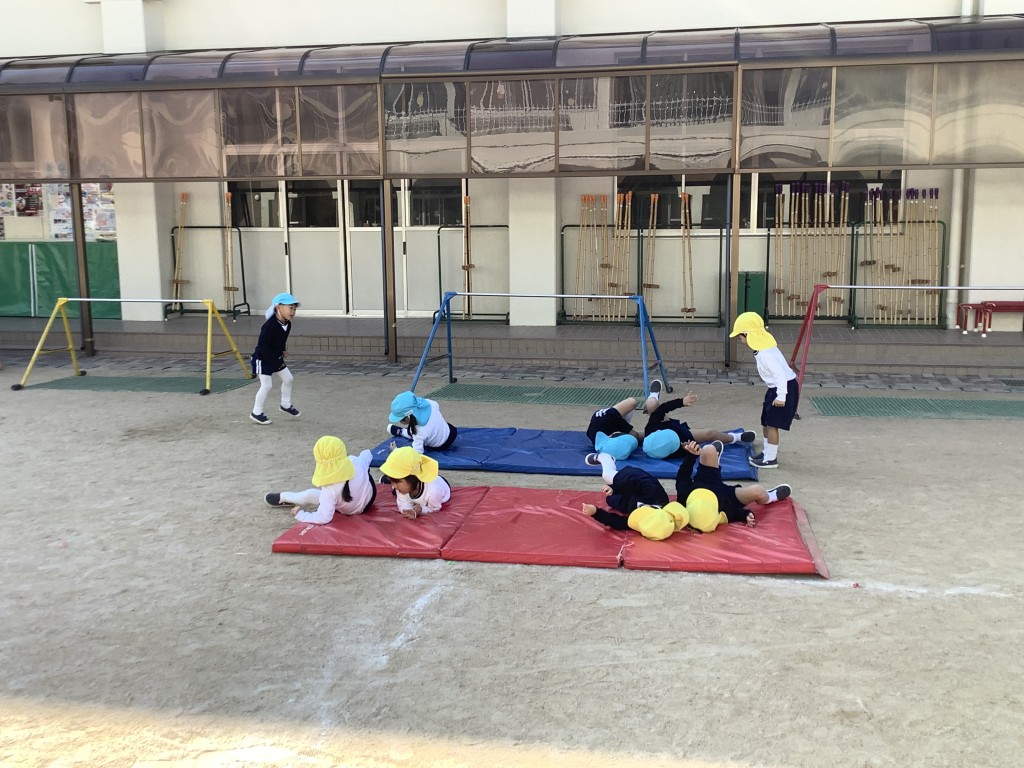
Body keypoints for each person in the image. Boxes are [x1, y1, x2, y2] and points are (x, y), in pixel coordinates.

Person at [729, 312, 800, 469]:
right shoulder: (763, 349)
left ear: (748, 335)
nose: (740, 340)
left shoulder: (765, 354)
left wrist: (781, 396)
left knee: (772, 424)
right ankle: (767, 452)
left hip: (784, 387)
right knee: (766, 421)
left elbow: (780, 375)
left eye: (740, 337)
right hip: (775, 388)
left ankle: (771, 459)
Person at [675, 439, 791, 530]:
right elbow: (735, 513)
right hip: (726, 496)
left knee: (708, 449)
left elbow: (683, 476)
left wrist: (691, 455)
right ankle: (770, 497)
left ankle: (714, 462)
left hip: (706, 480)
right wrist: (746, 515)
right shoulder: (721, 511)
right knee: (758, 491)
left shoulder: (684, 495)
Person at [264, 436, 376, 524]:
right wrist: (365, 453)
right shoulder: (355, 461)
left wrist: (300, 515)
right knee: (364, 470)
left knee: (309, 495)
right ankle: (284, 497)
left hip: (350, 510)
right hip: (370, 500)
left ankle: (284, 497)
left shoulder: (329, 489)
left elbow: (323, 518)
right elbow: (367, 455)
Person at [640, 379, 755, 460]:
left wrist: (681, 402)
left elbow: (663, 408)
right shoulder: (674, 451)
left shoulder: (652, 427)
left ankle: (653, 394)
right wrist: (686, 449)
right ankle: (736, 437)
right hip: (683, 436)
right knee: (710, 433)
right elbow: (691, 454)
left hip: (665, 425)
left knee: (651, 404)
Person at [250, 292, 301, 425]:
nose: (293, 312)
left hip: (275, 358)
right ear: (278, 307)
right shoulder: (269, 326)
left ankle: (285, 404)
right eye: (290, 308)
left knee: (288, 378)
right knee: (267, 385)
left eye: (294, 309)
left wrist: (282, 349)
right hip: (262, 359)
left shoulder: (287, 324)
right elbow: (262, 345)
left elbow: (281, 339)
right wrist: (272, 359)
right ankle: (256, 412)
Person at [581, 451, 671, 526]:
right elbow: (638, 482)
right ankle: (605, 457)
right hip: (635, 479)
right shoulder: (656, 495)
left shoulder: (640, 522)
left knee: (610, 500)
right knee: (607, 475)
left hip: (630, 500)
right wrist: (614, 488)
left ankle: (617, 491)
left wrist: (596, 512)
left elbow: (619, 522)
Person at [379, 445, 451, 520]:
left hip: (442, 483)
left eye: (396, 482)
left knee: (395, 490)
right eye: (391, 481)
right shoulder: (403, 486)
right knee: (396, 491)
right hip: (415, 482)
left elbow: (434, 509)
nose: (394, 486)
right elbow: (403, 504)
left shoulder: (433, 491)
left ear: (412, 478)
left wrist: (421, 510)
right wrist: (408, 511)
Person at [387, 391, 457, 453]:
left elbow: (417, 454)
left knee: (416, 434)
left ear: (408, 417)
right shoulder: (429, 403)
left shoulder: (419, 431)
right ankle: (402, 432)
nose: (400, 422)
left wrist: (395, 451)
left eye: (400, 420)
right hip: (451, 431)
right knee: (421, 432)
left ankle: (401, 432)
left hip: (440, 446)